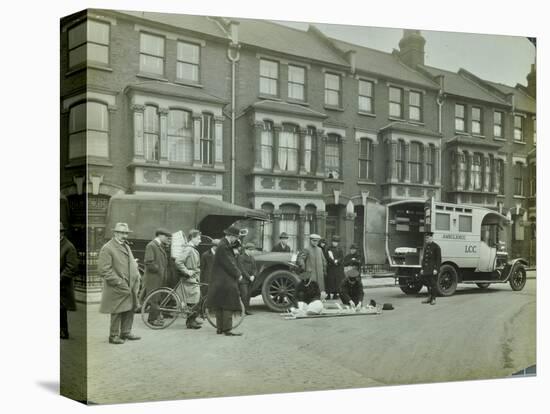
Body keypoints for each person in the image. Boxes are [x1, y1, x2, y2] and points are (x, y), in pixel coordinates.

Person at [98, 223, 141, 344]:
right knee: (117, 310)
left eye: (126, 233)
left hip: (129, 284)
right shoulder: (108, 248)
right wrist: (118, 282)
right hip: (117, 286)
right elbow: (104, 270)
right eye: (121, 233)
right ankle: (113, 335)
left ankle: (126, 332)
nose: (124, 235)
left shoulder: (126, 246)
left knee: (129, 308)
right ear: (115, 233)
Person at [206, 225, 244, 336]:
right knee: (228, 303)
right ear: (232, 236)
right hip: (225, 280)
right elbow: (229, 263)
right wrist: (238, 274)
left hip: (219, 280)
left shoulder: (223, 244)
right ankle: (227, 329)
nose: (236, 240)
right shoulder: (224, 246)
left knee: (220, 304)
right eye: (236, 237)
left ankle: (220, 328)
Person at [143, 228, 171, 327]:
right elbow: (148, 262)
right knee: (154, 299)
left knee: (157, 298)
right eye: (167, 237)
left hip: (158, 277)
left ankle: (156, 318)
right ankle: (152, 320)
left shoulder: (159, 246)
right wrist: (159, 269)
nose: (168, 239)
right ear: (160, 236)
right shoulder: (151, 245)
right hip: (153, 278)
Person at [175, 229, 203, 329]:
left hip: (193, 278)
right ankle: (190, 322)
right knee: (193, 299)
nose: (200, 240)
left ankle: (191, 320)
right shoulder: (188, 249)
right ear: (193, 238)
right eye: (198, 238)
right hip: (188, 278)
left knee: (195, 299)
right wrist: (187, 271)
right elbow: (178, 262)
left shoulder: (192, 249)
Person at [60, 222, 78, 340]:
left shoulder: (68, 246)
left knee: (60, 308)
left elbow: (72, 267)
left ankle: (63, 331)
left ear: (61, 233)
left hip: (62, 284)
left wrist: (59, 278)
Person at [297, 234, 327, 298]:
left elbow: (324, 260)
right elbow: (301, 259)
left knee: (320, 289)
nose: (315, 242)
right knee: (310, 290)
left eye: (317, 241)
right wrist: (303, 267)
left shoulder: (319, 250)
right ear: (310, 241)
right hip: (311, 274)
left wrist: (324, 270)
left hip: (319, 274)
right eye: (314, 241)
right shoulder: (306, 249)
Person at [421, 232, 441, 305]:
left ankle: (433, 299)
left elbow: (438, 259)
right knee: (428, 284)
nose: (426, 239)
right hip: (426, 269)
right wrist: (422, 268)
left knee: (433, 284)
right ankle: (429, 297)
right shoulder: (427, 247)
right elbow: (424, 259)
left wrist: (436, 269)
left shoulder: (436, 247)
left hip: (432, 269)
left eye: (428, 238)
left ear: (431, 238)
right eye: (426, 238)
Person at [238, 242, 257, 315]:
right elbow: (242, 269)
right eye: (251, 250)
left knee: (248, 295)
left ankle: (246, 310)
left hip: (250, 280)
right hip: (243, 280)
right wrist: (249, 277)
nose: (252, 251)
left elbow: (255, 269)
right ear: (246, 250)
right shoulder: (241, 257)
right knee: (244, 295)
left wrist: (254, 276)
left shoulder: (252, 258)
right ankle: (242, 311)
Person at [326, 235, 345, 300]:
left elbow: (342, 257)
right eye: (334, 242)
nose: (335, 243)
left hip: (337, 268)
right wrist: (332, 261)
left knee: (336, 281)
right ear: (332, 242)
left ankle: (335, 294)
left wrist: (338, 261)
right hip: (331, 267)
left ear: (338, 243)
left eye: (336, 242)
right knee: (330, 281)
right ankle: (328, 294)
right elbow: (327, 257)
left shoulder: (340, 249)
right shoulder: (328, 248)